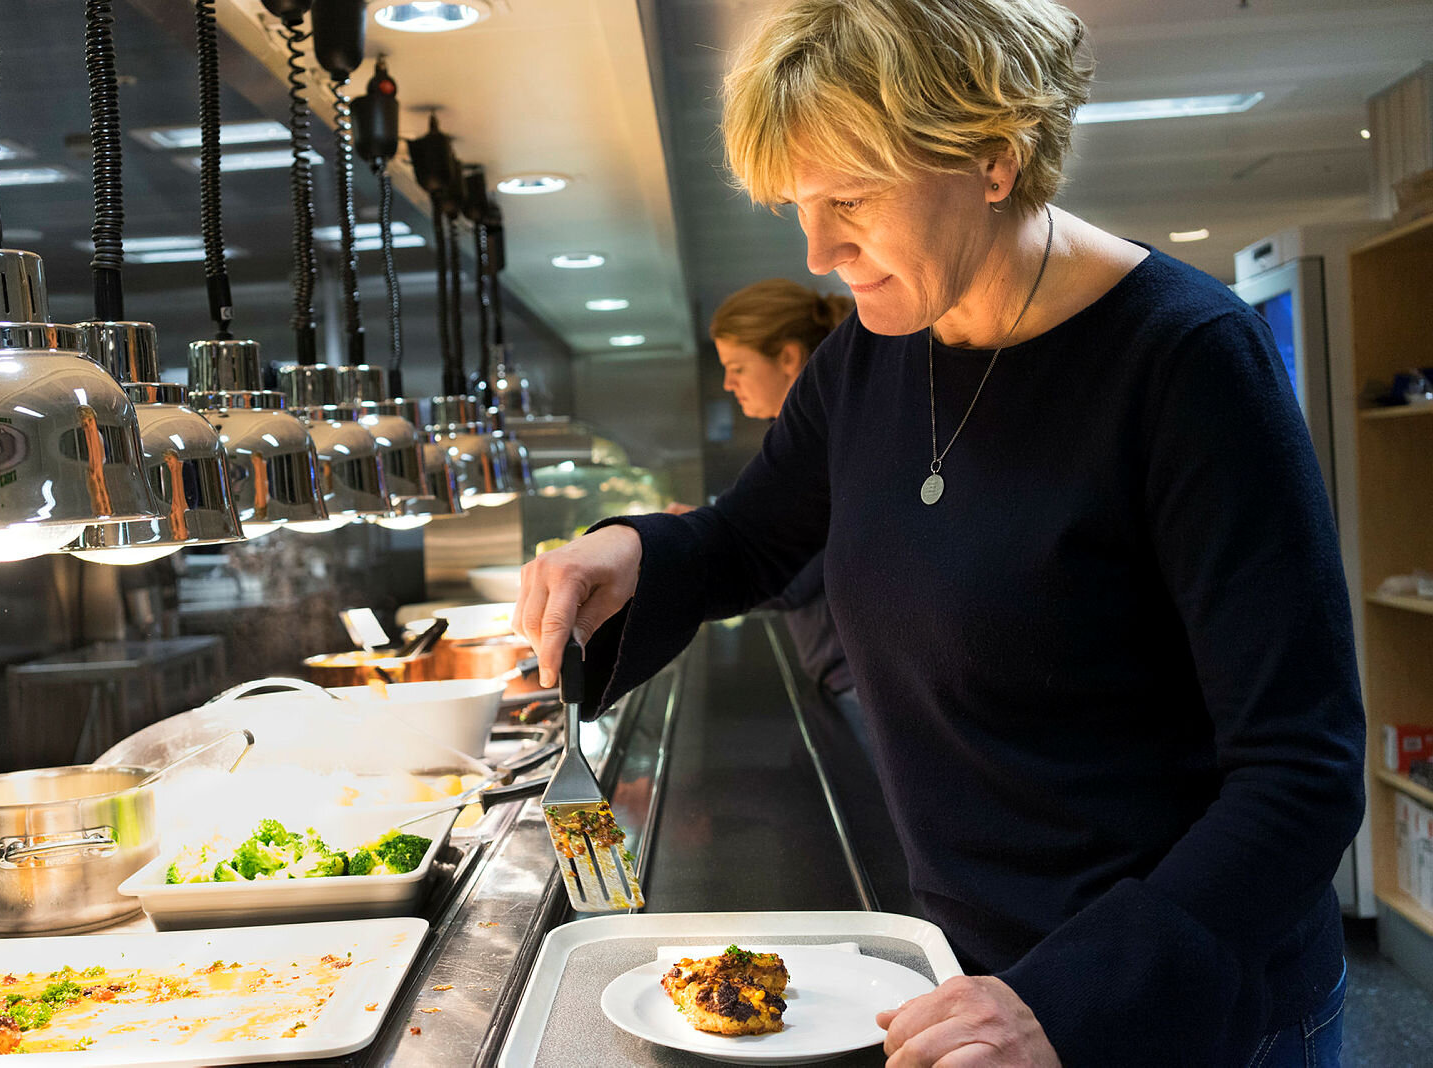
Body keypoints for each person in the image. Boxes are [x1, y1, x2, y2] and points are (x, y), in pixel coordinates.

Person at [513, 0, 1364, 1064]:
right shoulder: (870, 357)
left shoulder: (1187, 363)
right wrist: (628, 549)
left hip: (1173, 985)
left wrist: (1071, 994)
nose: (821, 250)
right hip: (964, 962)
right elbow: (751, 537)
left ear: (994, 159)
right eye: (798, 206)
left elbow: (1303, 769)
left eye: (851, 199)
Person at [677, 280, 863, 736]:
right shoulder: (807, 437)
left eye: (737, 366)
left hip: (856, 675)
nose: (728, 383)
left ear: (787, 357)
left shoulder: (833, 439)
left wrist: (691, 545)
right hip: (845, 672)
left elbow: (788, 570)